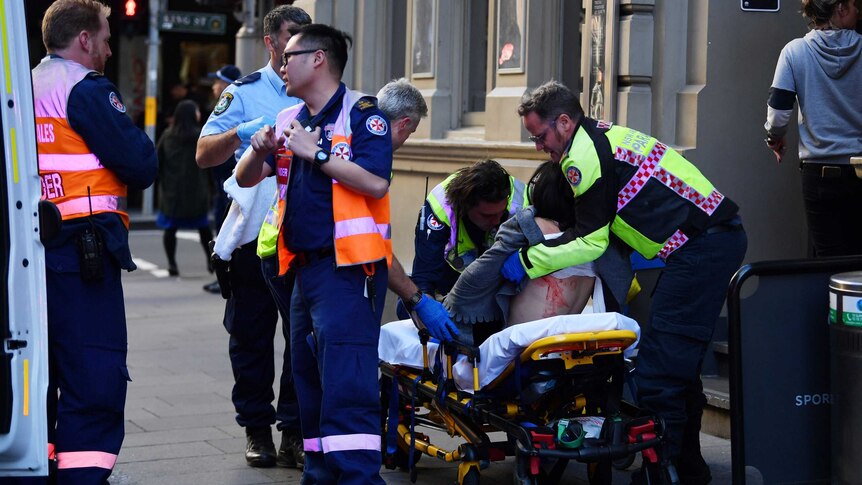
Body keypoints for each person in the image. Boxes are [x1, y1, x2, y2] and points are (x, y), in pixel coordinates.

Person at [508, 81, 747, 484]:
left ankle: (663, 474)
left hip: (702, 247)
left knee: (659, 376)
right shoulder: (603, 135)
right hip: (709, 240)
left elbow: (590, 240)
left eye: (540, 136)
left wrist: (527, 260)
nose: (538, 147)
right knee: (679, 367)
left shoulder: (581, 157)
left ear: (564, 122)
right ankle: (688, 469)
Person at [235, 24, 392, 484]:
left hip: (347, 268)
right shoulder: (289, 118)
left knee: (347, 382)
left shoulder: (363, 113)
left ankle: (359, 477)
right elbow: (247, 179)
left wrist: (317, 152)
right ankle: (319, 473)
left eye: (289, 56)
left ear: (318, 58)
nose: (282, 65)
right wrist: (259, 149)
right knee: (309, 382)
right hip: (302, 271)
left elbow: (376, 182)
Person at [31, 0, 158, 482]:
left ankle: (38, 467)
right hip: (82, 254)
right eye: (105, 39)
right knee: (94, 373)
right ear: (84, 39)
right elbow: (141, 165)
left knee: (42, 374)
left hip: (32, 255)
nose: (108, 49)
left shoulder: (23, 86)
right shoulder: (84, 89)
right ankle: (82, 475)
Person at [195, 4, 311, 469]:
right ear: (270, 42)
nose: (300, 48)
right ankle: (257, 429)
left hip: (302, 236)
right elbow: (204, 152)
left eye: (309, 39)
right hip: (251, 240)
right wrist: (240, 133)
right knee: (252, 336)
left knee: (302, 338)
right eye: (291, 38)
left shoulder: (322, 94)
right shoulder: (244, 92)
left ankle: (294, 431)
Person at [442, 161, 598, 345]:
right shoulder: (593, 240)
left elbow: (481, 272)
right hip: (561, 347)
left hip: (519, 350)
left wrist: (448, 306)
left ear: (541, 192)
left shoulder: (530, 226)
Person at [765, 0, 862, 257]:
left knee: (828, 261)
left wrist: (775, 139)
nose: (858, 11)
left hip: (819, 175)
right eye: (854, 5)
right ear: (840, 8)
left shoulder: (794, 52)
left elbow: (778, 114)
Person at [410, 159, 529, 303]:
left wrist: (527, 258)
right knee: (409, 305)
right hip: (451, 278)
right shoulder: (439, 210)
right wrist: (427, 310)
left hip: (505, 280)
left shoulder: (523, 203)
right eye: (487, 216)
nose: (496, 221)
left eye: (501, 213)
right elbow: (423, 278)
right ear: (466, 206)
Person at [156, 100, 213, 276]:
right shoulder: (201, 136)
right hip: (197, 192)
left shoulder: (167, 135)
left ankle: (172, 264)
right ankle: (211, 262)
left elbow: (158, 161)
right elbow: (210, 163)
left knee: (170, 229)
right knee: (204, 230)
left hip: (172, 193)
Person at [206, 64, 242, 235]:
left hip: (228, 168)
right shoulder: (222, 106)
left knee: (225, 212)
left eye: (217, 81)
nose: (214, 85)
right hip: (220, 170)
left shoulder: (232, 105)